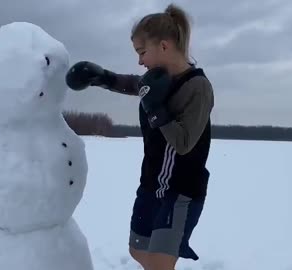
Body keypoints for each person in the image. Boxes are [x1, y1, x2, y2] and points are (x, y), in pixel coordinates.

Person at [65, 3, 214, 270]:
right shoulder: (154, 80)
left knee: (159, 264)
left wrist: (156, 110)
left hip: (180, 192)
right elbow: (133, 84)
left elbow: (183, 143)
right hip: (150, 185)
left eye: (142, 52)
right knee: (137, 250)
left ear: (165, 46)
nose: (139, 61)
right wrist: (101, 77)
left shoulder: (197, 87)